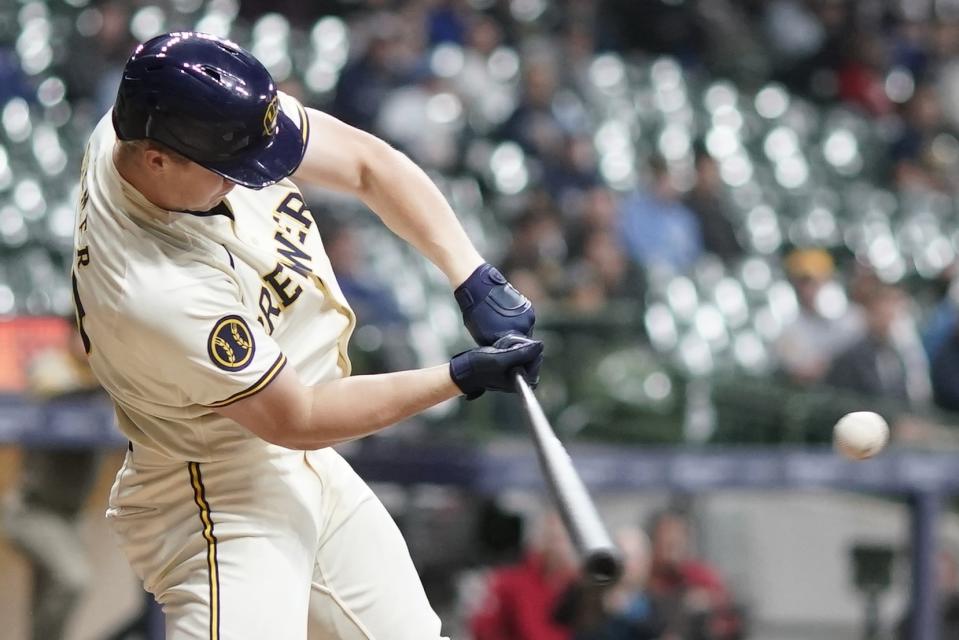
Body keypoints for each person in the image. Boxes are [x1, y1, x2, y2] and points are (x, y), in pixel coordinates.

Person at [71, 32, 542, 640]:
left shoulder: (146, 122)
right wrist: (458, 376)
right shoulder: (152, 289)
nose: (243, 183)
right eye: (225, 171)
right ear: (158, 159)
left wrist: (471, 273)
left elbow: (368, 166)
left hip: (299, 462)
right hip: (214, 491)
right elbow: (299, 414)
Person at [1, 322, 104, 640]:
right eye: (82, 333)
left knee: (48, 598)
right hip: (31, 510)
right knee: (75, 578)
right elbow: (49, 387)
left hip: (71, 516)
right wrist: (99, 387)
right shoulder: (51, 365)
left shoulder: (106, 375)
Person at [469, 510, 578, 640]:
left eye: (562, 540)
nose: (557, 547)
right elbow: (484, 628)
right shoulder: (510, 581)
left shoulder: (580, 586)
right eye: (551, 538)